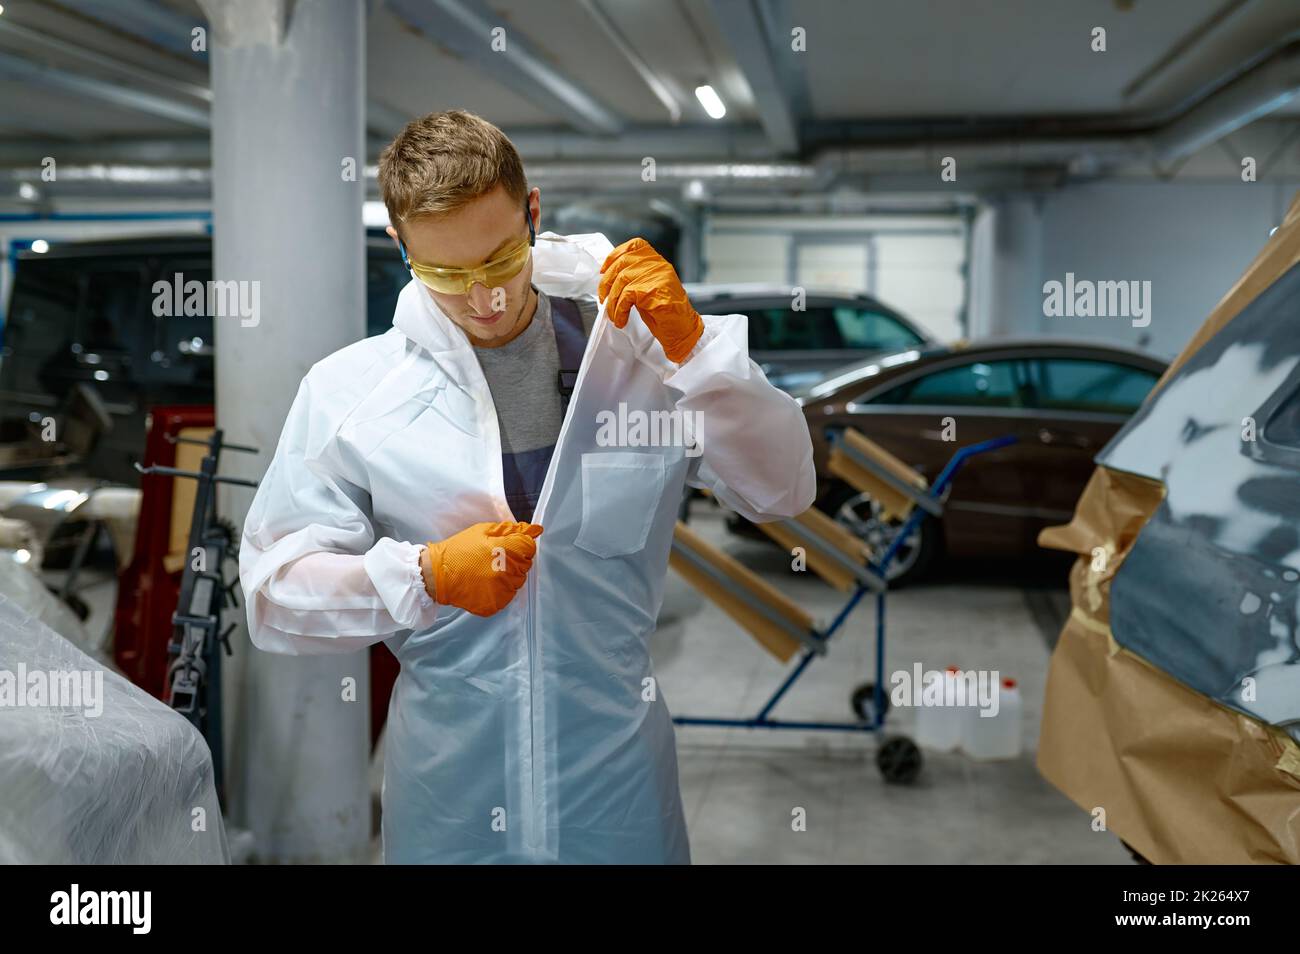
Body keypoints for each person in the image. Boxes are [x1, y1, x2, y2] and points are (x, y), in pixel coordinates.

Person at [240, 110, 816, 863]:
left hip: (617, 784)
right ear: (400, 246)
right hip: (451, 791)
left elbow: (783, 489)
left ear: (534, 213)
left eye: (501, 259)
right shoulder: (351, 393)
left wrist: (704, 358)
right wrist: (423, 576)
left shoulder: (640, 362)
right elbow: (274, 593)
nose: (484, 300)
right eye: (447, 274)